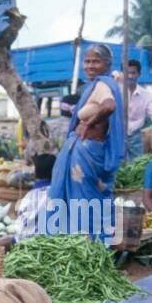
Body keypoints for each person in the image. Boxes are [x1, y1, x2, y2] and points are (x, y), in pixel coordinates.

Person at [42, 44, 126, 243]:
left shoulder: (103, 85)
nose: (90, 66)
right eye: (87, 61)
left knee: (84, 200)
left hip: (88, 153)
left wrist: (89, 123)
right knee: (83, 201)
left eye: (95, 61)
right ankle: (79, 243)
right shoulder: (96, 85)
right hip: (83, 151)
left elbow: (109, 106)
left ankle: (89, 246)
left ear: (107, 64)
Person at [122, 59, 152, 159]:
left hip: (136, 137)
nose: (130, 76)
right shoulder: (116, 91)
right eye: (127, 73)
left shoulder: (147, 95)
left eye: (133, 73)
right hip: (117, 135)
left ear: (138, 74)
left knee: (135, 166)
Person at [15, 154, 56, 238]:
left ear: (36, 173)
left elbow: (22, 223)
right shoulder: (59, 192)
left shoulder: (31, 196)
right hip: (54, 239)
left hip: (30, 240)